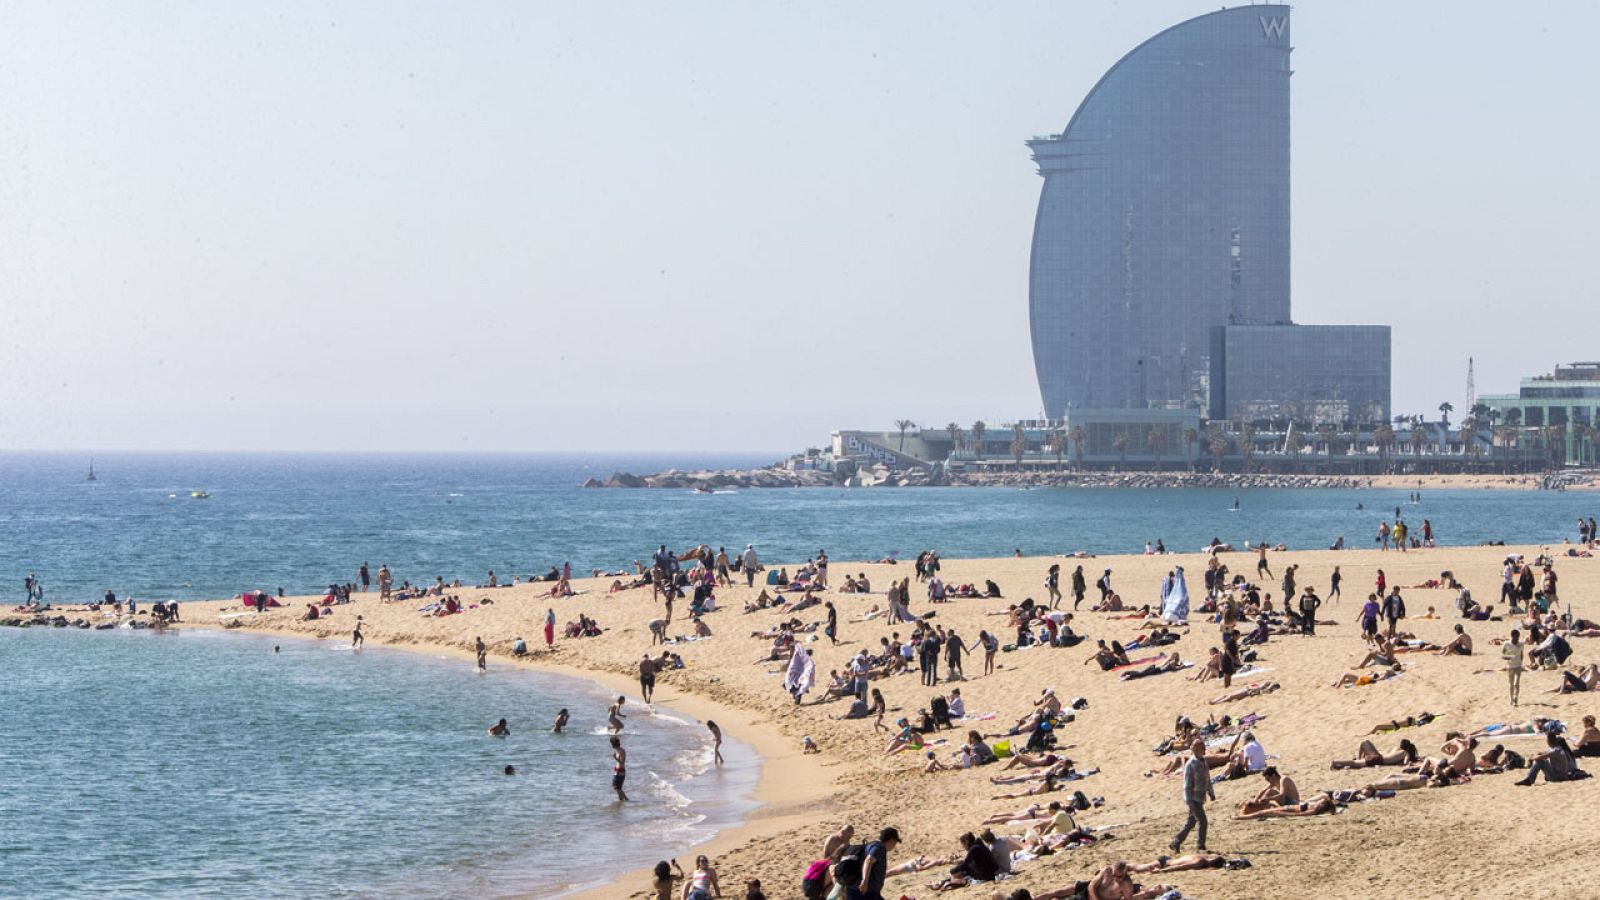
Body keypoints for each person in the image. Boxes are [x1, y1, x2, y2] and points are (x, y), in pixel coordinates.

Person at [1171, 738, 1214, 853]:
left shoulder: (1203, 762)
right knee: (1203, 821)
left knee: (1191, 822)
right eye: (1201, 747)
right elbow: (1186, 784)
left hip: (1200, 798)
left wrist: (1211, 792)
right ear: (1195, 750)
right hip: (1193, 799)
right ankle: (1200, 845)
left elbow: (1207, 778)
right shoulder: (1191, 764)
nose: (1204, 749)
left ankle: (1176, 841)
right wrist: (1189, 801)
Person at [848, 827, 900, 900]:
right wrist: (864, 881)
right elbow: (868, 860)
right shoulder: (879, 848)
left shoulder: (871, 845)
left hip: (861, 891)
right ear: (891, 840)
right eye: (895, 843)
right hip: (864, 892)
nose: (894, 846)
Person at [1503, 628, 1525, 707]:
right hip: (1510, 666)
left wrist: (1521, 663)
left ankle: (1516, 699)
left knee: (1516, 683)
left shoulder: (1521, 644)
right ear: (1512, 636)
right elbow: (1503, 655)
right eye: (1515, 637)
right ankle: (1511, 699)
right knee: (1511, 684)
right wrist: (1509, 656)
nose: (1517, 639)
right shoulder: (1506, 643)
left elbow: (1522, 654)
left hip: (1518, 666)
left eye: (1518, 637)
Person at [611, 735, 629, 801]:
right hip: (617, 771)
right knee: (618, 788)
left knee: (616, 787)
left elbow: (622, 763)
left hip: (620, 771)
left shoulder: (622, 751)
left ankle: (627, 799)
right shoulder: (617, 750)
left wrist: (615, 758)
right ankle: (621, 803)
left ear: (613, 744)